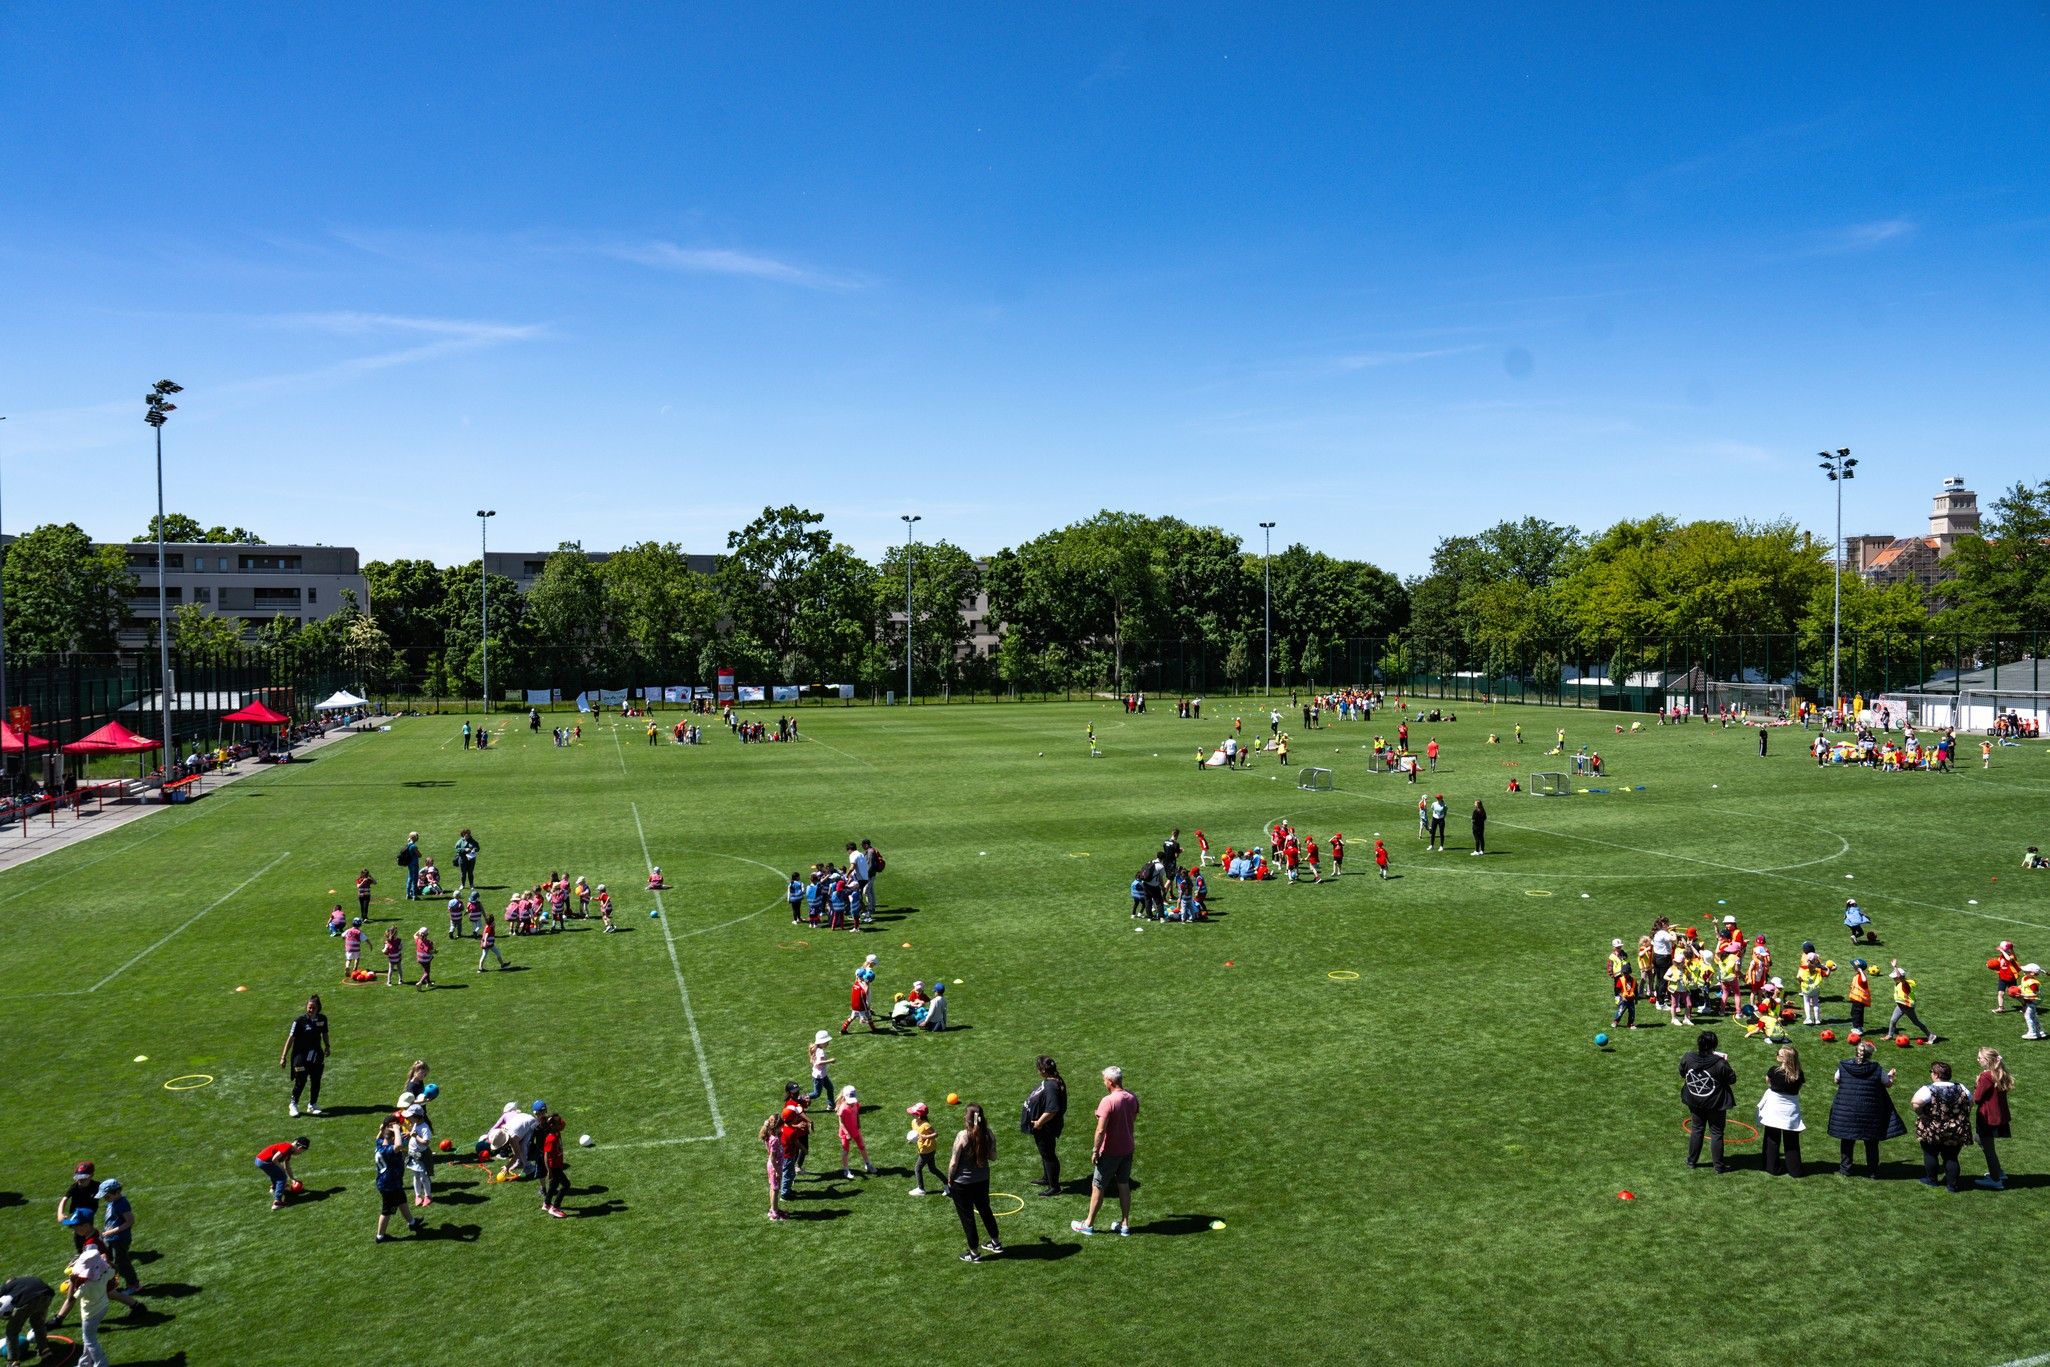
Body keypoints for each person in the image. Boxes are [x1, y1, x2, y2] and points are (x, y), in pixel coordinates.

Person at [1072, 1065, 1139, 1237]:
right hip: (1127, 1149)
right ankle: (1125, 1224)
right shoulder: (1132, 1097)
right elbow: (1132, 1118)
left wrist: (1095, 1151)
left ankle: (1088, 1224)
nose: (1103, 1082)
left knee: (1098, 1186)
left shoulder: (1108, 1101)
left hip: (1110, 1151)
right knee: (1123, 1184)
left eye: (1104, 1080)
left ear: (1110, 1081)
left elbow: (1100, 1130)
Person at [1827, 1040, 1905, 1178]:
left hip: (1847, 1110)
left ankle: (1846, 1169)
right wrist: (1891, 1076)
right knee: (1871, 1142)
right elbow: (1887, 1084)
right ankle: (1872, 1171)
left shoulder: (1844, 1066)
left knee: (1847, 1140)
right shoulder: (1877, 1069)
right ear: (1870, 1055)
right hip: (1870, 1111)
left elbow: (1836, 1080)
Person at [948, 1103, 1004, 1261]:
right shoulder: (988, 1134)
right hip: (982, 1181)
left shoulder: (962, 1136)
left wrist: (950, 1179)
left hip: (962, 1184)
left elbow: (953, 1163)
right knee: (985, 1210)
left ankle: (974, 1253)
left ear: (966, 1119)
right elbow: (993, 1157)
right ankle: (996, 1243)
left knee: (967, 1218)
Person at [1678, 1031, 1737, 1173]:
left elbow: (1682, 1073)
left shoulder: (1688, 1057)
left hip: (1695, 1100)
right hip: (1715, 1103)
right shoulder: (1720, 1063)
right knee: (1716, 1132)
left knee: (1697, 1129)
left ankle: (1691, 1161)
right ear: (1714, 1045)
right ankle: (1718, 1166)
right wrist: (1726, 1062)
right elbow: (1732, 1079)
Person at [1911, 1060, 1973, 1192]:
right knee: (1951, 1156)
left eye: (1931, 1072)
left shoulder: (1928, 1089)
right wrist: (1964, 1114)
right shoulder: (1961, 1088)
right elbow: (1970, 1101)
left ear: (1936, 1075)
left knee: (1930, 1153)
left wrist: (1922, 1115)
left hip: (1933, 1129)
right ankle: (1952, 1185)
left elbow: (1915, 1103)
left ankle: (1932, 1179)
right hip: (1956, 1130)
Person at [1757, 1046, 1806, 1177]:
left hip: (1774, 1108)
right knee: (1792, 1141)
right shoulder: (1799, 1074)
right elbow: (1798, 1089)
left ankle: (1771, 1167)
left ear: (1785, 1059)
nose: (1777, 1055)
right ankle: (1795, 1170)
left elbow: (1768, 1082)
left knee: (1772, 1138)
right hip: (1790, 1110)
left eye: (1779, 1054)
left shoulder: (1774, 1071)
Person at [1023, 1055, 1068, 1195]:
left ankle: (1054, 1187)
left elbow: (1052, 1110)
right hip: (1044, 1126)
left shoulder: (1051, 1086)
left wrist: (1039, 1123)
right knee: (1045, 1153)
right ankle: (1047, 1178)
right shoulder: (1054, 1080)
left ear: (1043, 1070)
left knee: (1048, 1155)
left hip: (1045, 1127)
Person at [374, 1116, 422, 1242]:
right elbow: (399, 1146)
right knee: (387, 1211)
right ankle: (380, 1236)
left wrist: (382, 1129)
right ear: (392, 1139)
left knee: (402, 1200)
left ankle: (412, 1222)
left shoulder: (379, 1144)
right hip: (389, 1186)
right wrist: (396, 1130)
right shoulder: (389, 1151)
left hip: (389, 1183)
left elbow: (380, 1137)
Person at [281, 994, 330, 1118]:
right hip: (300, 1056)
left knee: (316, 1079)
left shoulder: (322, 1019)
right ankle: (293, 1104)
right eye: (309, 1007)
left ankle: (312, 1104)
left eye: (313, 1007)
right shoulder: (299, 1021)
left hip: (316, 1054)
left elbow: (325, 1033)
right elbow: (290, 1039)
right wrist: (283, 1056)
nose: (311, 1010)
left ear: (318, 1008)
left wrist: (327, 1046)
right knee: (301, 1080)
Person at [1972, 1047, 2013, 1190]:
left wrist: (1977, 1084)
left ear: (1988, 1060)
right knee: (1979, 1138)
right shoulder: (1999, 1073)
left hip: (1987, 1117)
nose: (1977, 1060)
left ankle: (1996, 1179)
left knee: (1988, 1148)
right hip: (1999, 1116)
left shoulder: (1986, 1076)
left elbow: (1977, 1098)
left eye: (1980, 1058)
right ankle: (1998, 1172)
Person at [97, 1179, 141, 1293]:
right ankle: (112, 1282)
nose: (105, 1199)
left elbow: (130, 1221)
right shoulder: (112, 1201)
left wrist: (110, 1232)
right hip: (111, 1238)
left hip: (120, 1239)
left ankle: (133, 1285)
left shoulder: (121, 1204)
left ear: (117, 1192)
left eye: (107, 1196)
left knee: (122, 1263)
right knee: (109, 1261)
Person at [1, 1275, 56, 1363]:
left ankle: (13, 1361)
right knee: (38, 1323)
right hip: (47, 1296)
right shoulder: (25, 1280)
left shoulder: (9, 1285)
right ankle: (45, 1350)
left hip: (28, 1301)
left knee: (11, 1331)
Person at [1887, 961, 1935, 1041]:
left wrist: (1895, 967)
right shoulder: (1898, 983)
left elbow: (1901, 978)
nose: (1893, 978)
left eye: (1894, 977)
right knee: (1893, 1020)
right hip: (1900, 1006)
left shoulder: (1905, 984)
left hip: (1907, 1007)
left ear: (1899, 978)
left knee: (1916, 1022)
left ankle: (1930, 1035)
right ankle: (1890, 1035)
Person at [256, 1137, 309, 1209]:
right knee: (282, 1178)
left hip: (260, 1160)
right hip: (264, 1161)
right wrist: (281, 1168)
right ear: (300, 1148)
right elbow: (274, 1159)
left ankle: (274, 1188)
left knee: (275, 1174)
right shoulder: (287, 1147)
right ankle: (277, 1202)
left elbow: (287, 1167)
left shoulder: (289, 1151)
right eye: (302, 1152)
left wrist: (292, 1179)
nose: (300, 1154)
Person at [835, 1086, 873, 1178]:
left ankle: (868, 1164)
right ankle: (846, 1170)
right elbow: (841, 1123)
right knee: (845, 1151)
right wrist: (847, 1133)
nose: (852, 1103)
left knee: (862, 1146)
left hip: (855, 1129)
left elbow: (856, 1114)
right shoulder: (842, 1108)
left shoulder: (855, 1103)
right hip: (845, 1133)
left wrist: (858, 1124)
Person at [906, 1102, 942, 1195]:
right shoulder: (913, 1122)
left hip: (927, 1150)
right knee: (933, 1169)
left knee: (917, 1168)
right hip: (925, 1149)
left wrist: (925, 1137)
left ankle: (921, 1189)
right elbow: (916, 1134)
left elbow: (935, 1134)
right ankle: (947, 1184)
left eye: (913, 1113)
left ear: (918, 1115)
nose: (911, 1114)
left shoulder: (925, 1125)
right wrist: (912, 1139)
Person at [540, 1113, 570, 1217]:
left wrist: (555, 1118)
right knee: (566, 1184)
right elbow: (546, 1156)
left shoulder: (556, 1131)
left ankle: (546, 1203)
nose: (561, 1124)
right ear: (553, 1126)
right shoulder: (551, 1139)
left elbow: (564, 1124)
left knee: (554, 1185)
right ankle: (555, 1208)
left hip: (558, 1164)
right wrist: (549, 1171)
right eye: (559, 1123)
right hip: (554, 1167)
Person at [760, 1113, 789, 1221]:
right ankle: (774, 1214)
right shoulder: (775, 1140)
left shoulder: (770, 1134)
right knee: (775, 1190)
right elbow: (772, 1158)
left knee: (773, 1188)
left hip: (773, 1166)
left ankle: (773, 1209)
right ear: (777, 1127)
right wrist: (778, 1172)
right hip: (774, 1167)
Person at [808, 1031, 837, 1106]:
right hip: (819, 1077)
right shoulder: (820, 1051)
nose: (828, 1043)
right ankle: (801, 1098)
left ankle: (831, 1104)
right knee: (816, 1094)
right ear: (821, 1043)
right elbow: (819, 1063)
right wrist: (830, 1061)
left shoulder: (816, 1049)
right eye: (826, 1042)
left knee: (830, 1088)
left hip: (821, 1075)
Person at [399, 831, 422, 900]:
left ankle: (408, 894)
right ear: (413, 837)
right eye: (417, 836)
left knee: (410, 878)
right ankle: (414, 895)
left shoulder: (408, 845)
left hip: (409, 864)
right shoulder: (413, 846)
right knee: (415, 879)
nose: (418, 838)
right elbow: (419, 855)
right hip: (414, 864)